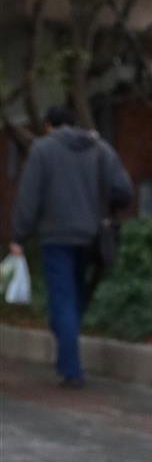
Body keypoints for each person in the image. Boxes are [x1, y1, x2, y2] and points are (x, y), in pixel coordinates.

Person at [10, 106, 133, 387]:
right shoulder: (101, 149)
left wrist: (19, 236)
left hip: (57, 238)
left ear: (50, 126)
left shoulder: (42, 150)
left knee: (62, 302)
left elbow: (29, 197)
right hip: (92, 237)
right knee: (75, 298)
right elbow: (124, 190)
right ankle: (69, 349)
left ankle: (71, 369)